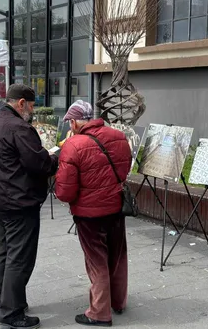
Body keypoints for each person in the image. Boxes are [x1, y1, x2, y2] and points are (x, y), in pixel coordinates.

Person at [0, 84, 59, 329]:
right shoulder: (18, 127)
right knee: (20, 257)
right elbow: (39, 164)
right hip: (18, 201)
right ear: (21, 103)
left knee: (6, 251)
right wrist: (56, 156)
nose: (33, 111)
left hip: (0, 198)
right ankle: (11, 313)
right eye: (32, 105)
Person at [54, 100, 131, 327]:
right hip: (116, 208)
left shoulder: (73, 145)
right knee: (117, 257)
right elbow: (124, 169)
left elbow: (65, 192)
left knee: (96, 261)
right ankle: (118, 301)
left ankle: (99, 312)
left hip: (89, 215)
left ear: (76, 122)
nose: (70, 126)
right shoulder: (118, 137)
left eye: (70, 121)